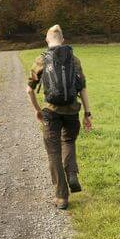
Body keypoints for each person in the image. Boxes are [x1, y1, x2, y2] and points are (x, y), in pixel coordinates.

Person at [27, 25, 93, 209]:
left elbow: (29, 89)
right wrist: (87, 114)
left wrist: (37, 109)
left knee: (53, 152)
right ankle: (71, 172)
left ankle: (62, 197)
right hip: (72, 110)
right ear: (63, 40)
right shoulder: (75, 59)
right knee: (69, 141)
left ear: (47, 40)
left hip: (51, 111)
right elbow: (83, 88)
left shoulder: (41, 59)